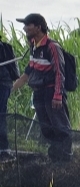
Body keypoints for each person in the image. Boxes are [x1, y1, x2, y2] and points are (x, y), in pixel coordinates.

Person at [10, 13, 72, 162]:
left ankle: (65, 159)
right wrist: (12, 89)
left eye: (28, 25)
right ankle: (55, 158)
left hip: (52, 92)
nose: (25, 28)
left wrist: (57, 96)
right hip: (38, 92)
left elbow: (59, 73)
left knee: (60, 127)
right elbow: (30, 70)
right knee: (46, 128)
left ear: (38, 27)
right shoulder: (33, 45)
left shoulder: (52, 46)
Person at [0, 32, 18, 160]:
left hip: (2, 85)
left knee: (1, 116)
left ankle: (4, 148)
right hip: (5, 84)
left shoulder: (2, 48)